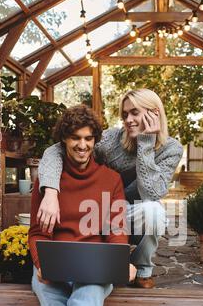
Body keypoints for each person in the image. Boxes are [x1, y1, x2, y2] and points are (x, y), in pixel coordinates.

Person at [29, 104, 136, 306]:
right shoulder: (48, 183)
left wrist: (121, 263)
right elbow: (35, 234)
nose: (82, 145)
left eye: (89, 139)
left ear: (95, 141)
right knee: (51, 296)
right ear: (64, 140)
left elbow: (117, 230)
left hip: (93, 262)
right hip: (54, 263)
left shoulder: (111, 179)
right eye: (75, 138)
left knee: (88, 294)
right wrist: (40, 263)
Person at [37, 89, 183, 289]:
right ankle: (107, 262)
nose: (128, 120)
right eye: (125, 115)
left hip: (133, 212)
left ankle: (142, 268)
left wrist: (146, 144)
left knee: (154, 211)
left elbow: (152, 193)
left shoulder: (171, 149)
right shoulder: (110, 139)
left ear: (154, 114)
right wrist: (51, 193)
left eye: (134, 113)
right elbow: (57, 150)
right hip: (102, 212)